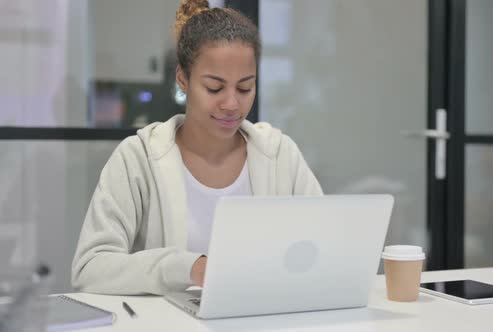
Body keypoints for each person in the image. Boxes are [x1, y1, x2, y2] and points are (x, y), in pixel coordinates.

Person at [71, 0, 322, 295]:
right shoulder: (138, 158)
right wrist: (189, 268)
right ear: (183, 79)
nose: (231, 104)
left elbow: (323, 248)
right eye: (215, 87)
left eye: (245, 88)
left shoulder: (280, 155)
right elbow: (90, 269)